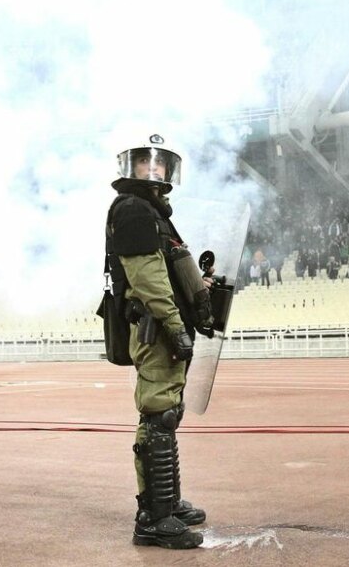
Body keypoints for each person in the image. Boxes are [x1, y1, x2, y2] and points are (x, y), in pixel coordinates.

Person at [104, 134, 211, 549]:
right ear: (129, 169)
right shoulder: (133, 210)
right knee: (158, 415)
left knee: (168, 412)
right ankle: (153, 517)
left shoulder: (152, 213)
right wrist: (174, 324)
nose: (154, 169)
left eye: (160, 163)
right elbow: (148, 279)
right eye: (144, 162)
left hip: (162, 324)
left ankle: (166, 501)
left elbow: (164, 271)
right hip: (156, 327)